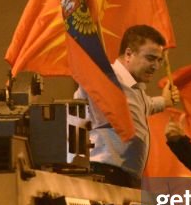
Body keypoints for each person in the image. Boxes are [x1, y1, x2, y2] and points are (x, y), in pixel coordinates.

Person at [76, 24, 178, 188]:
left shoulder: (133, 86)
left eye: (159, 60)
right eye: (150, 58)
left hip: (124, 177)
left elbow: (142, 106)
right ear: (129, 54)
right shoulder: (107, 79)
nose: (156, 67)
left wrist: (164, 102)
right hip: (104, 175)